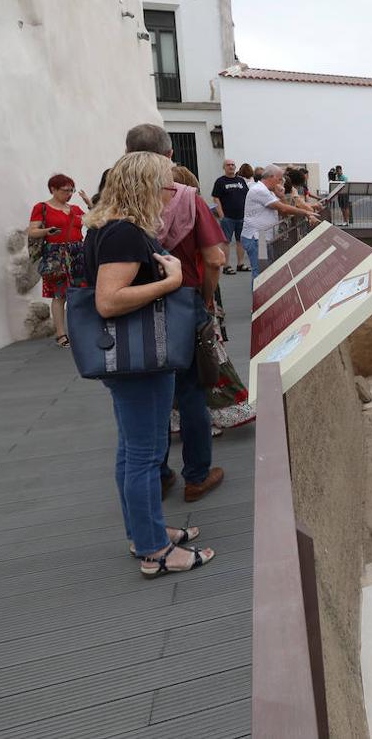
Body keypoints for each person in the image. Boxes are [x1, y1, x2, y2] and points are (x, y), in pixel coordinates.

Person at [82, 152, 215, 577]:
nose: (170, 194)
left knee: (131, 451)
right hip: (141, 362)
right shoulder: (124, 233)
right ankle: (155, 551)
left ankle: (145, 533)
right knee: (143, 454)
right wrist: (172, 281)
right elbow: (108, 301)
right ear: (144, 187)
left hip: (130, 362)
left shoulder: (107, 227)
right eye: (165, 185)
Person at [125, 123, 227, 504]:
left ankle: (158, 473)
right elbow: (215, 258)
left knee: (148, 395)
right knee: (190, 393)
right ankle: (196, 477)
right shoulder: (185, 196)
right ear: (169, 157)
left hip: (133, 307)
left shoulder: (115, 199)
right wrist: (205, 299)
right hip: (183, 304)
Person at [169, 167, 256, 435]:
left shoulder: (156, 214)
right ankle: (208, 414)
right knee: (205, 355)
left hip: (171, 296)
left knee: (180, 360)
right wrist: (207, 298)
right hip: (194, 290)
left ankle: (178, 416)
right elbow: (215, 259)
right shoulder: (192, 209)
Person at [26, 174, 91, 347]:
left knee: (79, 294)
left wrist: (89, 204)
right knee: (59, 294)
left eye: (72, 190)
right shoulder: (42, 207)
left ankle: (79, 331)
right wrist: (47, 231)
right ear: (53, 189)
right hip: (56, 254)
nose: (69, 194)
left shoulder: (75, 209)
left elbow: (95, 222)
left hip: (77, 253)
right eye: (65, 190)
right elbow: (32, 231)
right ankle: (61, 334)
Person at [242, 165, 320, 278]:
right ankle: (260, 295)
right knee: (260, 273)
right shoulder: (259, 190)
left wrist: (281, 196)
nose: (281, 183)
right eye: (279, 179)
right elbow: (283, 208)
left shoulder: (269, 191)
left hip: (263, 236)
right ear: (271, 177)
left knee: (265, 272)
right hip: (258, 237)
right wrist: (306, 213)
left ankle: (264, 295)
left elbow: (283, 212)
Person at [211, 159, 250, 274]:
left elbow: (247, 195)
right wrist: (221, 214)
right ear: (224, 167)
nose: (231, 167)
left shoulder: (241, 180)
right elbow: (216, 198)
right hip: (227, 217)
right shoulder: (220, 181)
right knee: (226, 242)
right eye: (228, 165)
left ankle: (240, 264)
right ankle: (226, 266)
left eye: (233, 165)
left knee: (240, 241)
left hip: (242, 217)